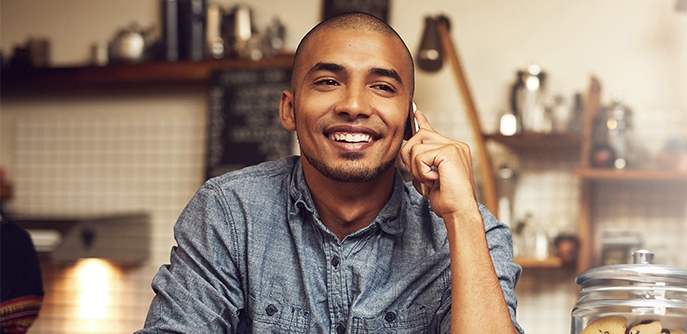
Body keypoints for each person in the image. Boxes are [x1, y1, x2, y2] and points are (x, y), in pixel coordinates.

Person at [138, 12, 522, 333]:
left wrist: (463, 217)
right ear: (288, 109)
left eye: (382, 86)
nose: (354, 105)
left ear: (410, 122)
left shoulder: (471, 232)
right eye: (327, 82)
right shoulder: (228, 213)